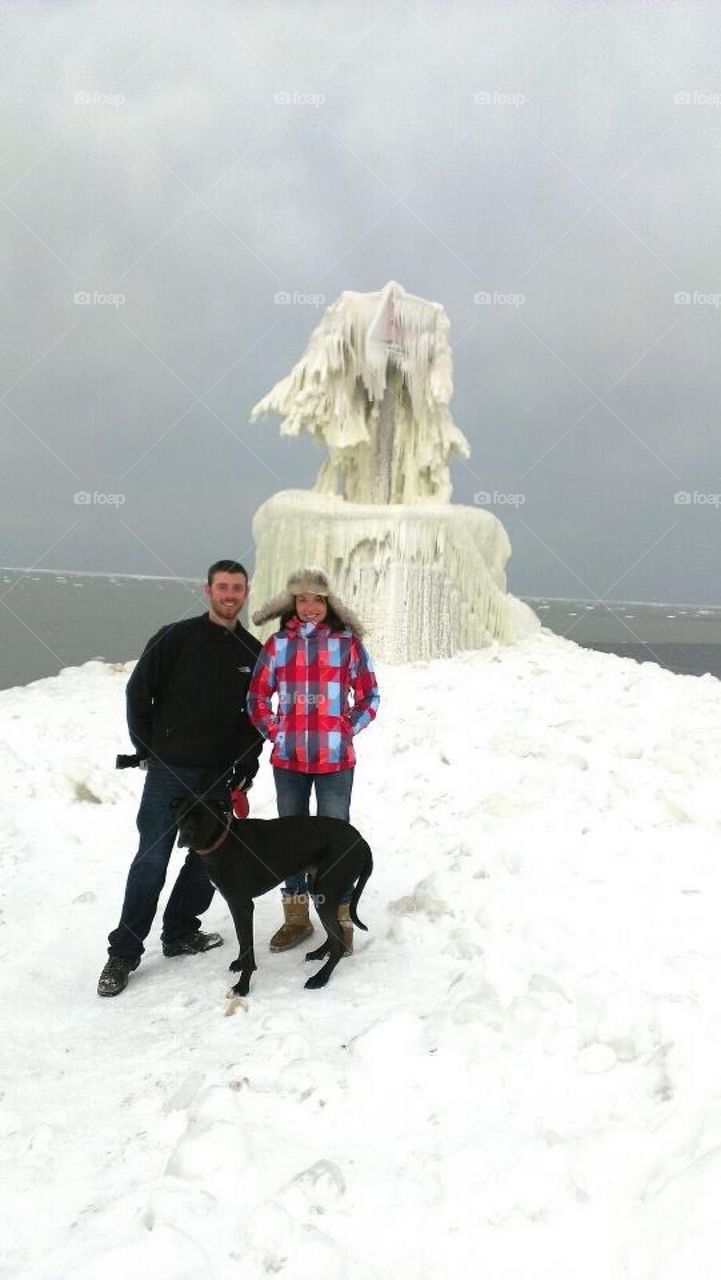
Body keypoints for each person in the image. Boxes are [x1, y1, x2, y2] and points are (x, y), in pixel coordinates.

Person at [97, 560, 263, 997]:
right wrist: (146, 747)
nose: (230, 595)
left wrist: (248, 761)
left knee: (206, 859)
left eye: (237, 588)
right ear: (207, 590)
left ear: (246, 593)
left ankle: (180, 932)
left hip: (217, 775)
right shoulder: (176, 637)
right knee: (151, 860)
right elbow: (139, 690)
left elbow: (254, 716)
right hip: (170, 770)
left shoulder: (251, 650)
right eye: (222, 587)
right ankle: (123, 954)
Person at [247, 567, 379, 954]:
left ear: (328, 604)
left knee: (336, 839)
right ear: (292, 603)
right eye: (301, 599)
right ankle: (296, 919)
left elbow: (369, 696)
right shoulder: (277, 645)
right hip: (289, 761)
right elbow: (256, 698)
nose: (309, 607)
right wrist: (277, 731)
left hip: (335, 760)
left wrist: (346, 728)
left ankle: (339, 919)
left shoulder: (346, 644)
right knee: (288, 840)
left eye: (317, 600)